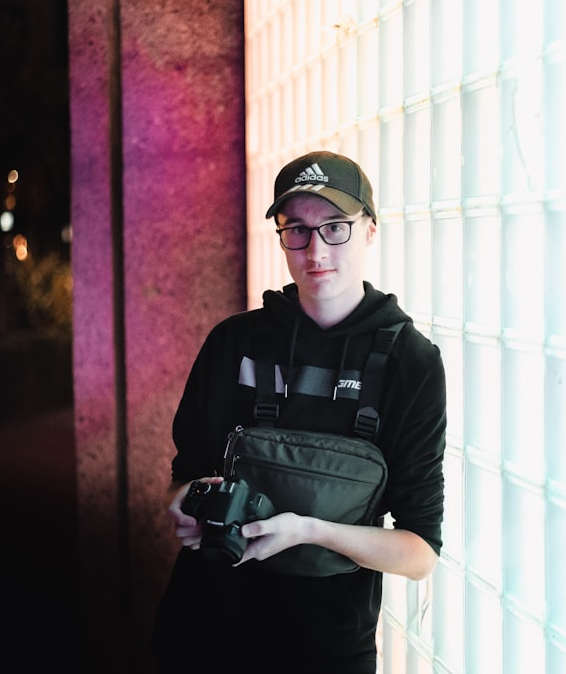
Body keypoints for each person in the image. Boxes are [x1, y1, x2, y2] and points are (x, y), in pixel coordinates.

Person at [149, 150, 447, 673]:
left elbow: (420, 552)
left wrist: (311, 531)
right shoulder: (233, 342)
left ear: (371, 230)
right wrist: (185, 505)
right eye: (297, 231)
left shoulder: (410, 364)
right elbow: (184, 477)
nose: (316, 250)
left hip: (326, 648)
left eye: (336, 227)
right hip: (203, 631)